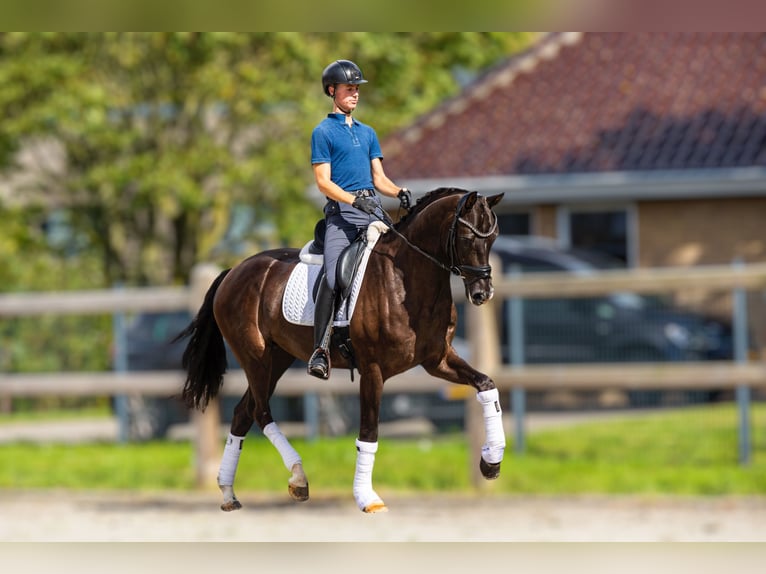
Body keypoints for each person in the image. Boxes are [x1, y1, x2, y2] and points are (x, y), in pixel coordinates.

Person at [307, 59, 412, 379]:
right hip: (343, 215)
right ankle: (320, 349)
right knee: (334, 275)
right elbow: (323, 182)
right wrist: (353, 200)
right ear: (332, 91)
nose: (354, 94)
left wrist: (398, 191)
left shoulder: (368, 133)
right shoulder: (322, 132)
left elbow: (379, 178)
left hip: (373, 211)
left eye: (356, 89)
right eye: (349, 89)